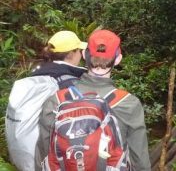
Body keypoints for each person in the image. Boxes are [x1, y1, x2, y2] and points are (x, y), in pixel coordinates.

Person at [35, 29, 151, 171]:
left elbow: (42, 155)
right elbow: (140, 161)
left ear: (84, 55)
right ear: (118, 59)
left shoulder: (56, 101)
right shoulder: (128, 104)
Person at [5, 31, 87, 171]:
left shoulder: (38, 75)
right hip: (51, 160)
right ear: (71, 53)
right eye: (79, 50)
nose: (81, 54)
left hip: (26, 157)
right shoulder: (67, 83)